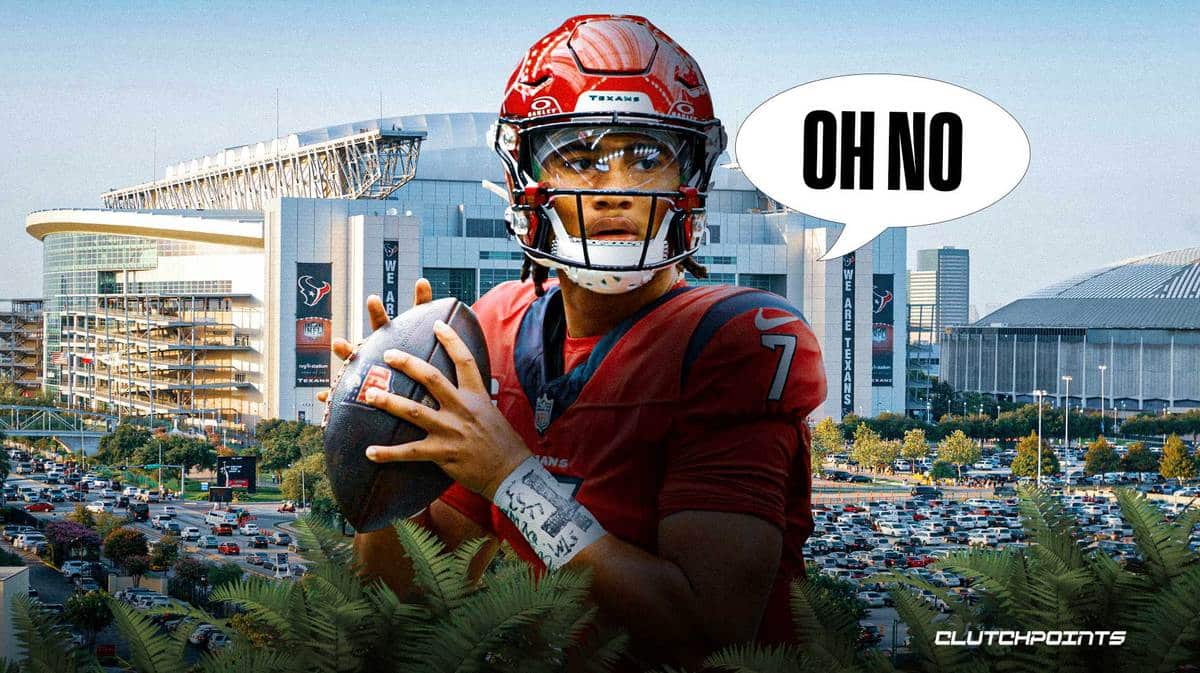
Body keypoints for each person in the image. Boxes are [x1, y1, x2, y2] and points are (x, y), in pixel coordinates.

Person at [320, 14, 827, 667]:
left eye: (646, 157)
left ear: (688, 180)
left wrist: (512, 477)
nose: (614, 188)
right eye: (580, 158)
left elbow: (707, 630)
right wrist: (380, 456)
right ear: (524, 179)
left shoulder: (734, 342)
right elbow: (411, 591)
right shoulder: (496, 326)